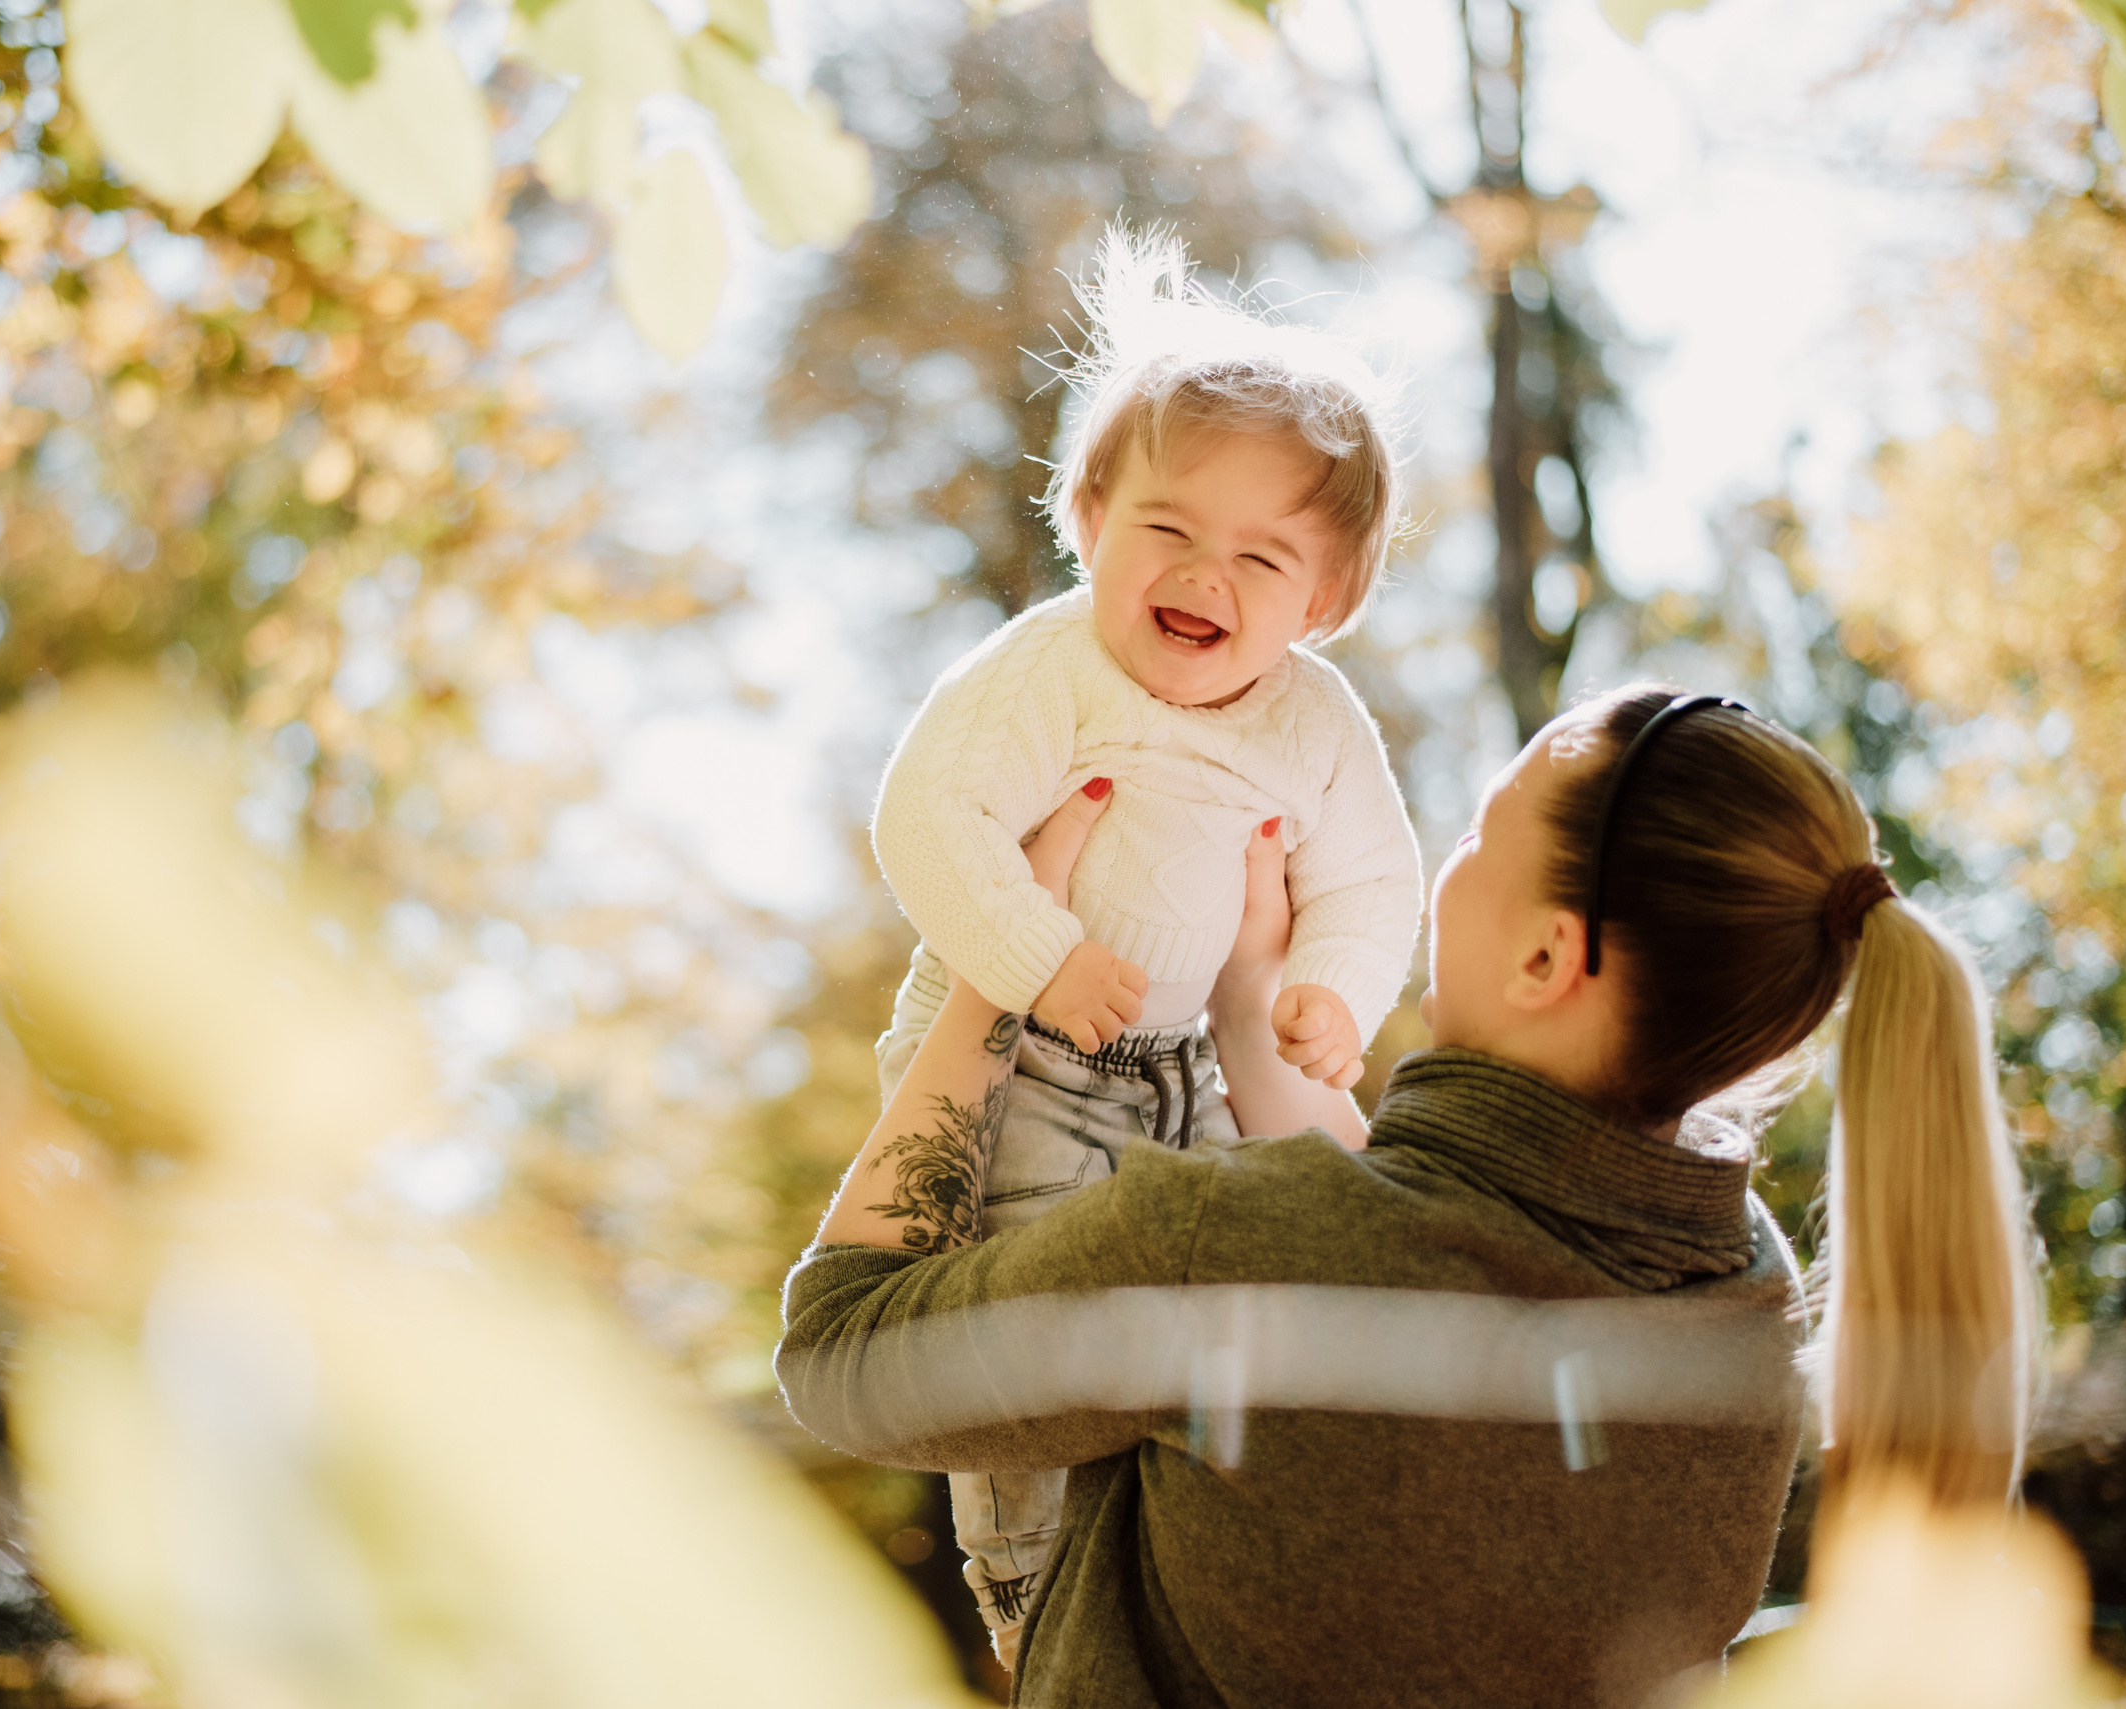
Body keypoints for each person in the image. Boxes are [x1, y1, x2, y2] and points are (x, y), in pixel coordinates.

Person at [782, 687, 2037, 1707]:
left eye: (1483, 835)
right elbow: (1430, 1247)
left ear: (1549, 954)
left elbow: (841, 1353)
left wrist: (991, 970)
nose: (1446, 865)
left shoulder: (1219, 1242)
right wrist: (1248, 1008)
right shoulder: (1744, 1305)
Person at [867, 228, 1423, 1651]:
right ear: (1091, 512)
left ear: (1327, 602)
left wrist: (1331, 999)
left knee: (1259, 1310)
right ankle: (1037, 1591)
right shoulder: (1045, 671)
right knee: (1032, 1306)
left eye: (1263, 556)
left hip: (1206, 1077)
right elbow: (929, 819)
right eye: (1169, 529)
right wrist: (1037, 952)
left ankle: (1230, 1578)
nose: (1206, 577)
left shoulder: (1313, 725)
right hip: (1028, 1055)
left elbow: (1370, 880)